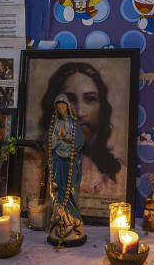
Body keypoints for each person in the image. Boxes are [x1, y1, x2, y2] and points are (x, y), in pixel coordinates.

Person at [38, 63, 122, 197]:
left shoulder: (120, 179)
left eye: (89, 99)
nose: (79, 112)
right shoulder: (32, 172)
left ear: (102, 109)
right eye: (69, 99)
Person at [45, 94, 86, 247]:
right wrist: (56, 139)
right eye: (59, 107)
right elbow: (47, 140)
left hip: (70, 161)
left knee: (70, 190)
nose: (61, 110)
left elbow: (80, 140)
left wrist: (68, 140)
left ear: (68, 107)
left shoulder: (73, 123)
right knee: (56, 188)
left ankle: (72, 220)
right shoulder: (54, 123)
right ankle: (58, 219)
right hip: (57, 161)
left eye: (63, 107)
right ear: (56, 108)